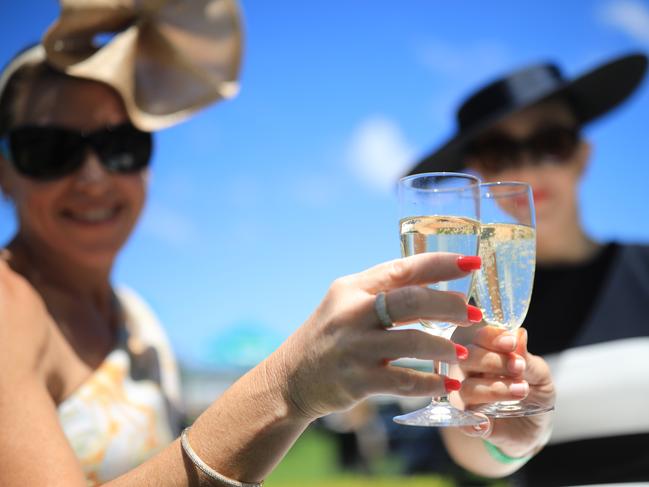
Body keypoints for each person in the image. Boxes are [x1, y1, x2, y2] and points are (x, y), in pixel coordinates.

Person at [0, 2, 555, 486]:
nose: (93, 176)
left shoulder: (135, 320)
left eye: (120, 145)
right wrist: (286, 389)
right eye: (48, 149)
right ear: (5, 170)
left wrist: (501, 438)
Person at [408, 52, 649, 486]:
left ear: (582, 155)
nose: (528, 168)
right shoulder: (469, 308)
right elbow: (472, 450)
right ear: (479, 173)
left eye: (550, 144)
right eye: (501, 152)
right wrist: (505, 441)